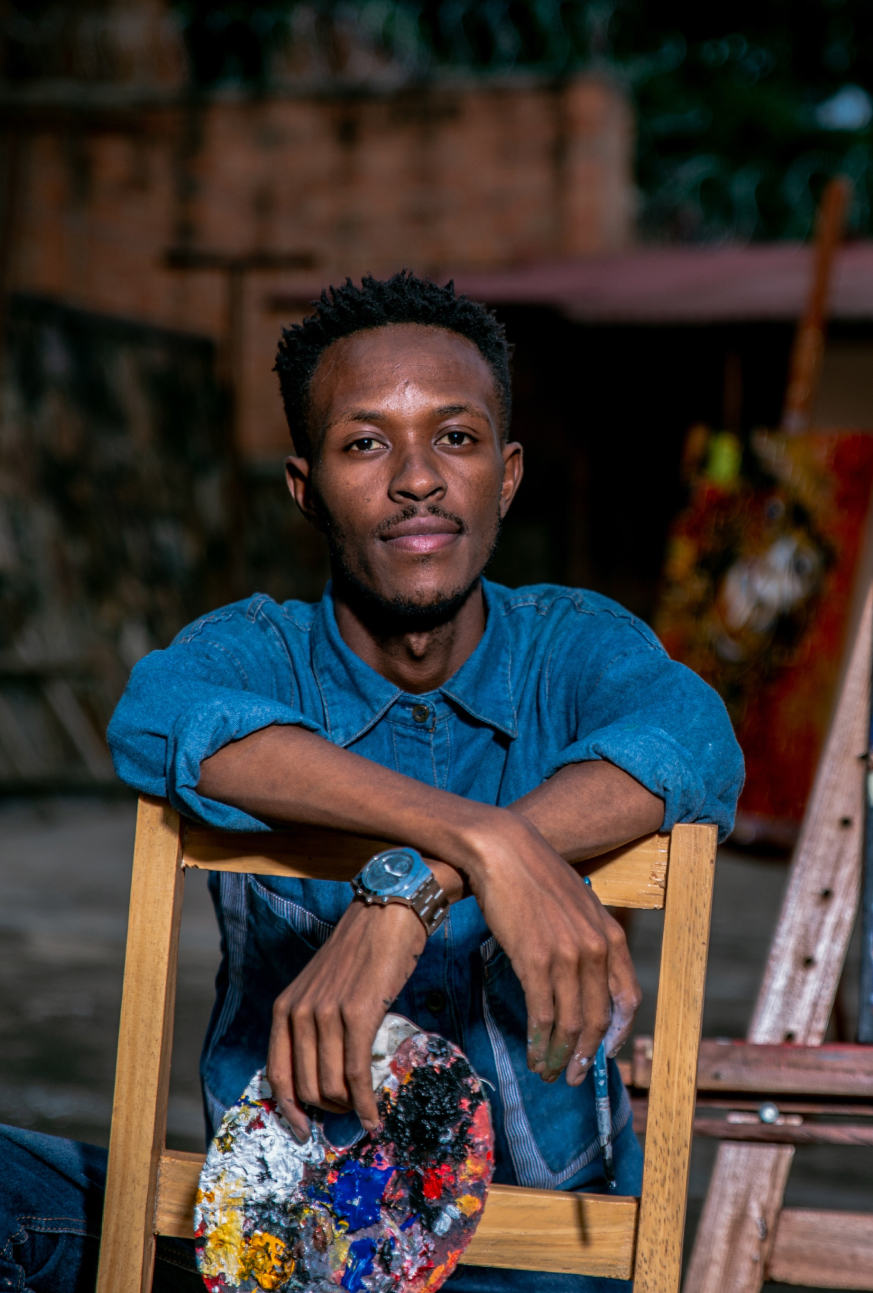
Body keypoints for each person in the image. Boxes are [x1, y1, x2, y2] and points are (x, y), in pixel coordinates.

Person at [0, 272, 743, 1293]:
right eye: (365, 444)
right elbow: (159, 717)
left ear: (507, 474)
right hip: (284, 1243)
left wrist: (410, 891)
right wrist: (486, 844)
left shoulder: (572, 649)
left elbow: (695, 738)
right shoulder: (260, 653)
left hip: (535, 1263)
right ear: (306, 489)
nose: (418, 479)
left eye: (457, 437)